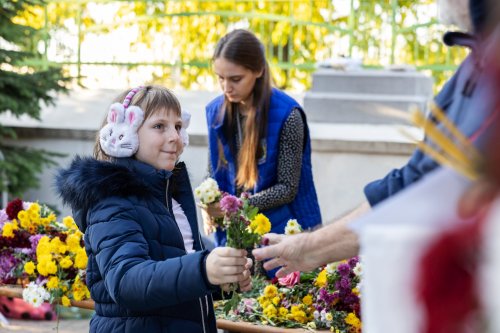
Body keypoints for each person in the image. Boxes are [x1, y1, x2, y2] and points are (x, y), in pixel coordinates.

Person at [253, 0, 500, 277]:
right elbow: (413, 180)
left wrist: (310, 247)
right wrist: (309, 246)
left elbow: (428, 189)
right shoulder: (478, 59)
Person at [55, 86, 252, 333]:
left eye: (178, 126)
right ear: (126, 133)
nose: (175, 137)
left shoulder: (172, 198)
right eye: (159, 126)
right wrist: (203, 269)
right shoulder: (112, 201)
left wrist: (221, 279)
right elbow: (126, 281)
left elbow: (174, 282)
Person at [202, 29, 322, 247]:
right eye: (220, 78)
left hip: (285, 234)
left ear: (258, 70)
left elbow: (287, 188)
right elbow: (212, 173)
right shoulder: (214, 112)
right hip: (234, 235)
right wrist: (208, 204)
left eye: (236, 79)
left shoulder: (288, 115)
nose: (226, 87)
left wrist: (237, 205)